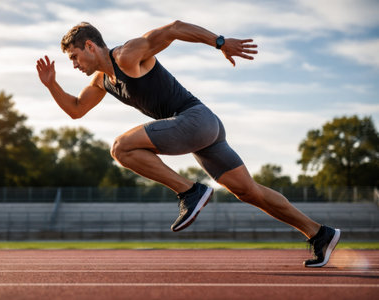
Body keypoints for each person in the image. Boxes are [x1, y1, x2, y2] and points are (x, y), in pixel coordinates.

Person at [36, 20, 340, 267]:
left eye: (74, 56)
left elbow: (173, 29)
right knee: (249, 192)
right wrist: (52, 85)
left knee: (120, 148)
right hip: (200, 131)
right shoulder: (102, 81)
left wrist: (220, 42)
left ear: (90, 45)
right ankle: (318, 233)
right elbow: (76, 109)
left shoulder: (127, 55)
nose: (74, 64)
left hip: (196, 120)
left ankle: (189, 191)